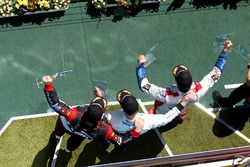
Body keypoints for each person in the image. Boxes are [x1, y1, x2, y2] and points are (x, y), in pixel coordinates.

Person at [135, 40, 233, 123]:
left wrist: (140, 64)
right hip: (184, 104)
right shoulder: (200, 89)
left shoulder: (166, 95)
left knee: (155, 112)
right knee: (182, 108)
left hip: (166, 108)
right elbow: (217, 71)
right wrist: (225, 50)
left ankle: (162, 114)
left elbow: (143, 85)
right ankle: (182, 115)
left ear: (177, 83)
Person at [95, 88, 196, 148]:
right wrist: (184, 102)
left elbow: (98, 115)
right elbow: (167, 118)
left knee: (111, 138)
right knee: (122, 145)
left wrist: (100, 98)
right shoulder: (147, 121)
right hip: (129, 136)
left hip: (118, 132)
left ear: (122, 107)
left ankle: (109, 143)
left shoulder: (113, 116)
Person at [42, 75, 107, 152]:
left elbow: (55, 104)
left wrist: (48, 85)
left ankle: (58, 135)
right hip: (81, 134)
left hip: (68, 126)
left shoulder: (74, 114)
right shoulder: (102, 128)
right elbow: (111, 137)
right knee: (76, 141)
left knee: (61, 119)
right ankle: (68, 149)